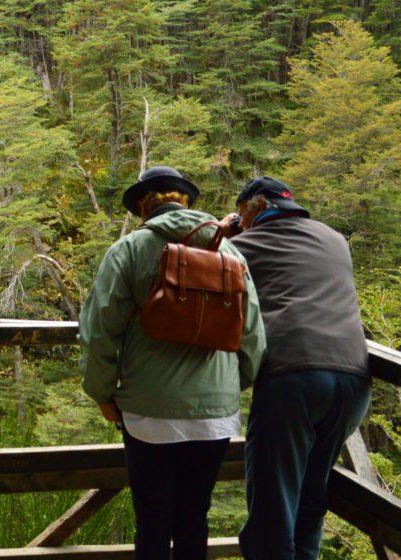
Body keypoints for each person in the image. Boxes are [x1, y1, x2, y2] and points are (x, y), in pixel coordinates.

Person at [80, 166, 266, 560]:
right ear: (185, 202)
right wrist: (232, 386)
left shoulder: (129, 249)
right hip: (215, 413)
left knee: (153, 517)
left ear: (144, 208)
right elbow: (253, 336)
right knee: (194, 516)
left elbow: (100, 330)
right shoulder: (229, 251)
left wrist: (101, 391)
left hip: (148, 410)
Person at [222, 176, 371, 560]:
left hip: (293, 379)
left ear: (254, 209)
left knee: (273, 506)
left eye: (241, 214)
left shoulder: (242, 246)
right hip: (354, 380)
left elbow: (200, 264)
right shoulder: (335, 239)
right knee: (310, 498)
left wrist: (226, 232)